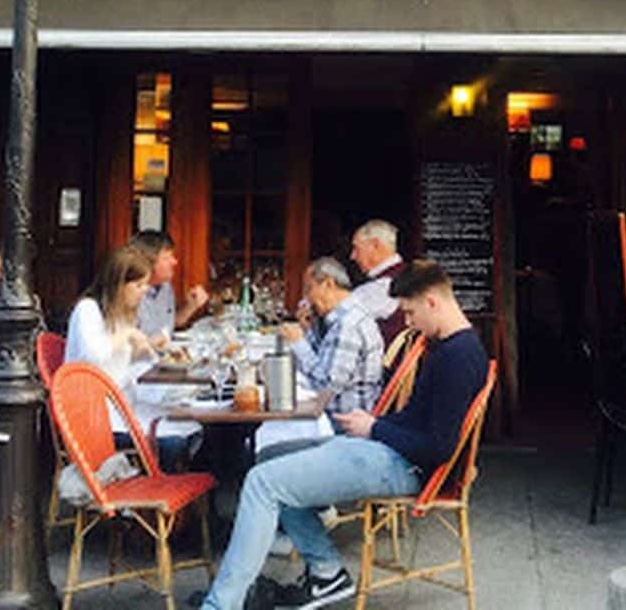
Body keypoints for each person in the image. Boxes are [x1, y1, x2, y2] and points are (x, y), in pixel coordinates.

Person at [198, 259, 488, 610]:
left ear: (432, 302)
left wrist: (375, 428)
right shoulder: (451, 347)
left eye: (410, 313)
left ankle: (221, 605)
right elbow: (416, 421)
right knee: (272, 458)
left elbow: (439, 449)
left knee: (262, 482)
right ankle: (326, 574)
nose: (408, 323)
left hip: (407, 468)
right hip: (393, 454)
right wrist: (372, 424)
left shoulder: (457, 357)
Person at [65, 245, 199, 470]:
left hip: (121, 405)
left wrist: (142, 352)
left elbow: (120, 365)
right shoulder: (88, 310)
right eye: (138, 285)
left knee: (191, 423)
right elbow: (93, 358)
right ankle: (156, 492)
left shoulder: (119, 316)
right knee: (177, 441)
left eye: (145, 284)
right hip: (97, 418)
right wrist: (127, 336)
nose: (144, 290)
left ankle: (167, 492)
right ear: (118, 285)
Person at [278, 257, 383, 416]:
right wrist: (309, 330)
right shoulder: (341, 319)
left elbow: (326, 387)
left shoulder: (348, 324)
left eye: (309, 290)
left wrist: (298, 342)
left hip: (341, 422)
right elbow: (321, 362)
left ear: (328, 284)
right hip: (328, 413)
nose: (306, 300)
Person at [129, 230, 209, 343]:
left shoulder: (165, 286)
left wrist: (191, 306)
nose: (175, 262)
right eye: (167, 258)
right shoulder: (129, 293)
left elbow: (167, 326)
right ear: (147, 262)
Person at [347, 219, 406, 347]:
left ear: (375, 245)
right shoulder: (407, 275)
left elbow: (341, 317)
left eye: (357, 249)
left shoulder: (383, 286)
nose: (353, 256)